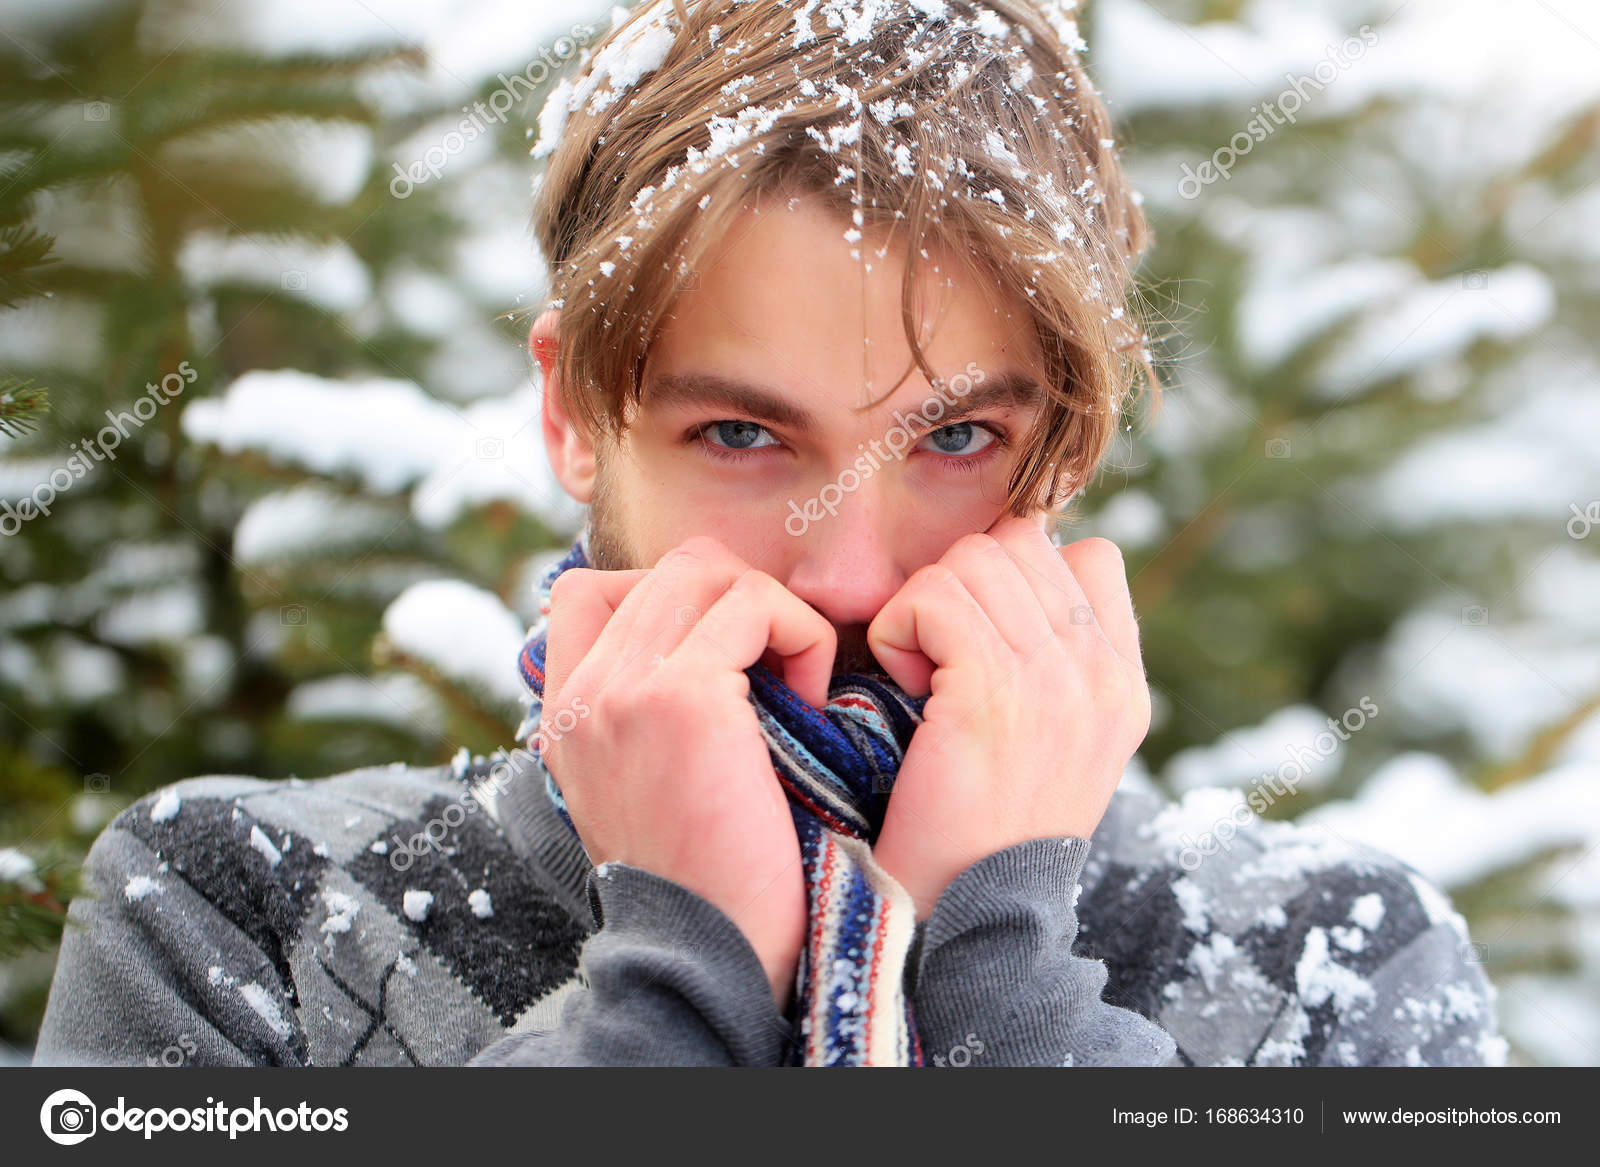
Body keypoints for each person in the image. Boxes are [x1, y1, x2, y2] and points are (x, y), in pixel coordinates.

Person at [33, 0, 1505, 1067]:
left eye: (956, 439)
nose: (853, 571)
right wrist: (680, 974)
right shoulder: (234, 919)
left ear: (1070, 446)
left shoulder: (1339, 967)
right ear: (575, 413)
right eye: (741, 435)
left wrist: (992, 967)